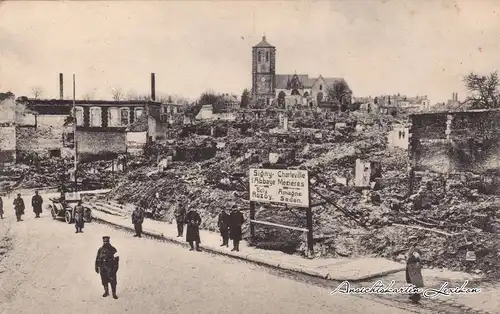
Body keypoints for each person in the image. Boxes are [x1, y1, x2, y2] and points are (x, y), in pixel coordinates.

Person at [406, 236, 424, 304]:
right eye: (411, 241)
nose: (412, 242)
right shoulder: (411, 248)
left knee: (415, 281)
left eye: (414, 241)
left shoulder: (416, 249)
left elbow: (418, 258)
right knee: (410, 280)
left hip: (414, 266)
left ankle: (415, 297)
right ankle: (412, 295)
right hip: (410, 266)